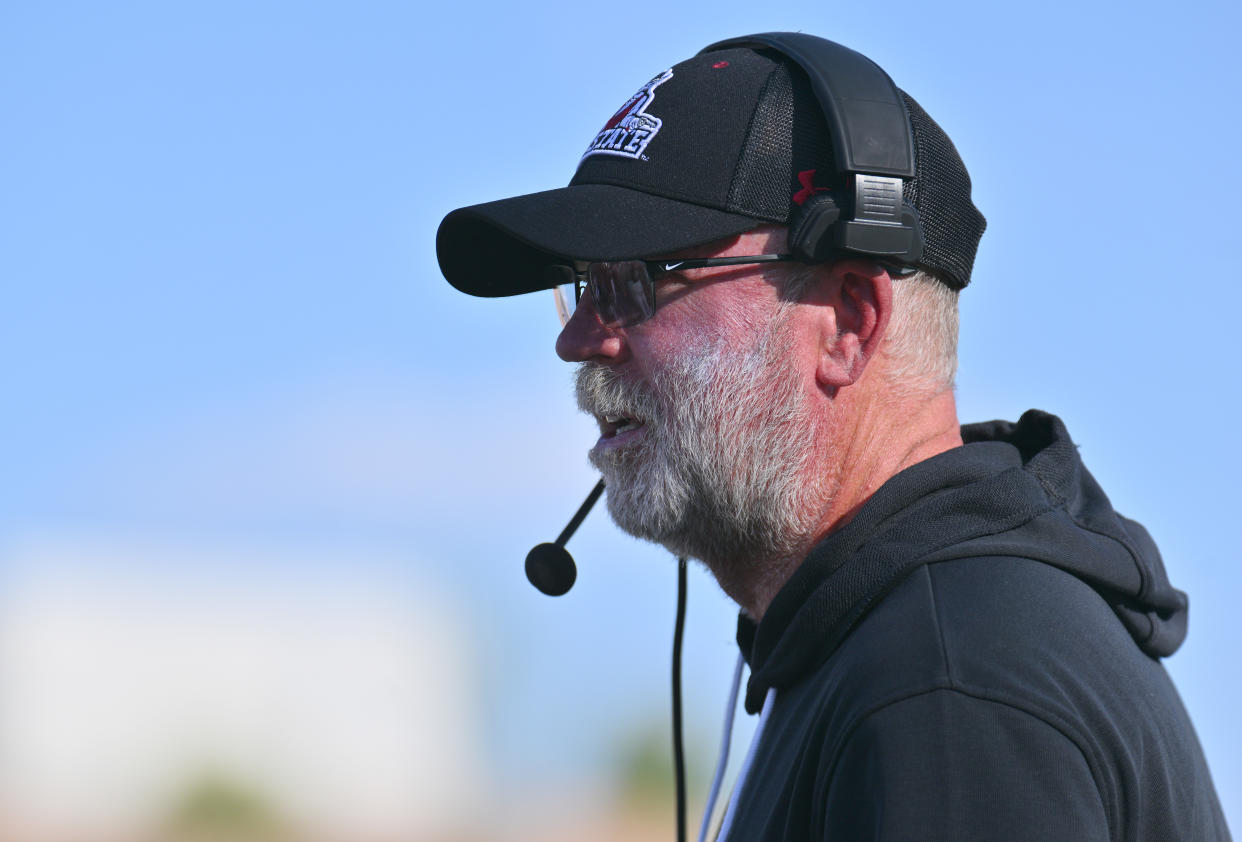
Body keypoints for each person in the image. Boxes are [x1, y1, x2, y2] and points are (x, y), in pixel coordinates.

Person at [436, 33, 1230, 841]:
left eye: (642, 278)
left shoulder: (945, 687)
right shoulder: (902, 644)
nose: (580, 341)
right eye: (585, 288)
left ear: (851, 320)